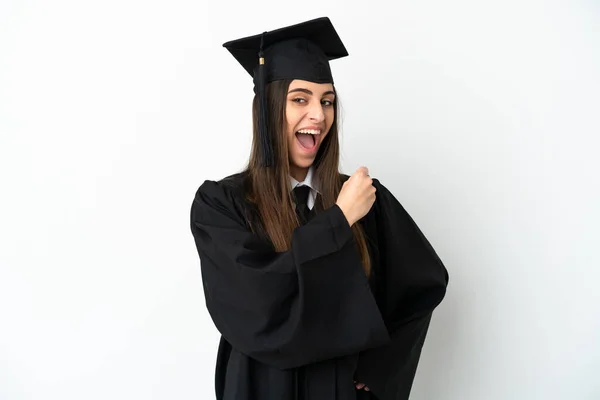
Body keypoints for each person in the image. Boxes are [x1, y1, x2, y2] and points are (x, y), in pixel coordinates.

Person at [190, 17, 449, 400]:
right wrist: (338, 221)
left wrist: (382, 368)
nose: (319, 115)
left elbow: (422, 286)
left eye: (327, 101)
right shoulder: (221, 205)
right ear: (267, 109)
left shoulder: (363, 198)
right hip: (260, 389)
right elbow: (257, 305)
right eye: (300, 99)